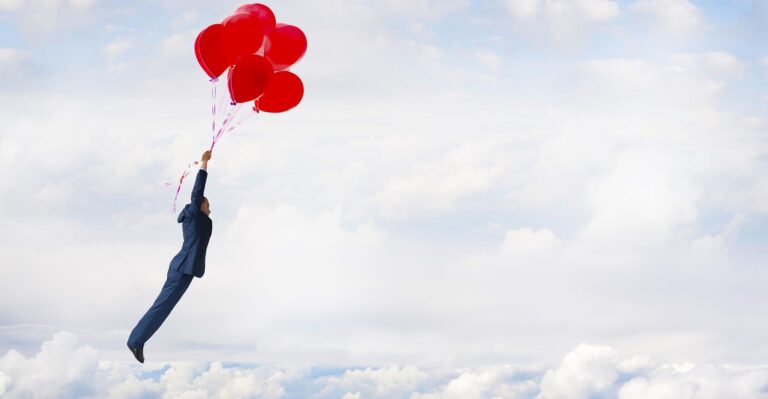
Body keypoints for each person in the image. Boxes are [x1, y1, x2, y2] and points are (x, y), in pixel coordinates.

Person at [127, 150, 213, 363]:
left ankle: (139, 340)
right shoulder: (194, 214)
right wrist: (204, 164)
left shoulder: (199, 217)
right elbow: (197, 192)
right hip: (182, 267)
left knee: (165, 308)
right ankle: (135, 341)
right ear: (200, 205)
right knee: (162, 306)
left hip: (187, 269)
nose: (210, 208)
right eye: (207, 205)